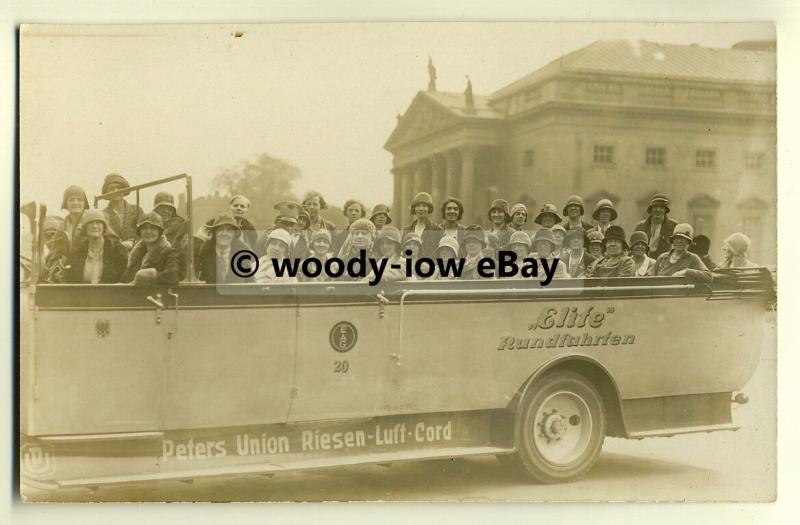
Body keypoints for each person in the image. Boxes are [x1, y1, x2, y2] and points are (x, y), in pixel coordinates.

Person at [63, 210, 127, 284]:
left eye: (98, 222)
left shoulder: (117, 250)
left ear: (104, 227)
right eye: (90, 223)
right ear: (85, 228)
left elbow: (125, 276)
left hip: (111, 294)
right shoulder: (77, 253)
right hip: (82, 294)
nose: (94, 226)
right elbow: (70, 279)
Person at [45, 185, 91, 282]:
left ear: (84, 203)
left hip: (89, 272)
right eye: (71, 199)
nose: (75, 202)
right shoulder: (62, 227)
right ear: (66, 203)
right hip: (68, 275)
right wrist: (55, 270)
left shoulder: (93, 221)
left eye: (79, 200)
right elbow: (54, 253)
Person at [126, 213, 181, 286]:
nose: (148, 231)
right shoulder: (137, 254)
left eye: (153, 228)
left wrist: (148, 275)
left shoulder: (169, 253)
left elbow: (172, 276)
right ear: (140, 232)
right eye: (145, 228)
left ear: (159, 232)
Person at [197, 213, 253, 284]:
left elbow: (250, 283)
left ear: (234, 235)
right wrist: (199, 240)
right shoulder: (204, 254)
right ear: (214, 233)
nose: (224, 234)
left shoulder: (242, 257)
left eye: (229, 231)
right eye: (220, 229)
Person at [100, 173, 144, 250]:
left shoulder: (136, 209)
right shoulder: (102, 214)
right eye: (111, 188)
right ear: (107, 193)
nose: (115, 190)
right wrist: (120, 245)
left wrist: (133, 243)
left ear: (124, 190)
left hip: (136, 252)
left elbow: (144, 232)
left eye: (118, 187)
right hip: (114, 254)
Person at [153, 192, 188, 280]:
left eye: (169, 208)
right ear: (156, 210)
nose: (166, 211)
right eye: (162, 208)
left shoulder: (181, 226)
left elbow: (182, 251)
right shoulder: (149, 226)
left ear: (173, 211)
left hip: (173, 268)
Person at [634, 193, 677, 259]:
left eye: (661, 207)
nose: (658, 210)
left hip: (664, 262)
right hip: (644, 262)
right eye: (655, 207)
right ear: (651, 209)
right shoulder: (640, 226)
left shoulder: (673, 226)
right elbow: (633, 247)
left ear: (665, 210)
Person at [404, 192, 443, 258]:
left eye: (424, 206)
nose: (421, 209)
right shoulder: (407, 230)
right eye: (418, 206)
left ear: (429, 208)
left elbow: (440, 253)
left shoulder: (437, 230)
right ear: (414, 208)